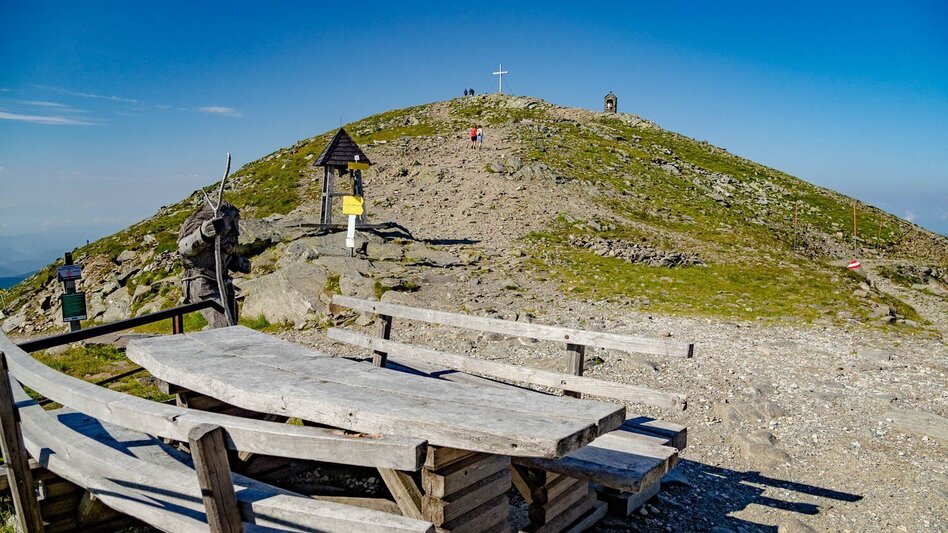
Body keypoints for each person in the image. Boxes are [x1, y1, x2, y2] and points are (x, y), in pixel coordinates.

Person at [177, 201, 251, 328]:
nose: (235, 230)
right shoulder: (202, 235)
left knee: (231, 322)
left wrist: (239, 263)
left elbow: (227, 259)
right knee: (222, 321)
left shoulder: (225, 244)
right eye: (228, 222)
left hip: (225, 284)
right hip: (202, 284)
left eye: (236, 222)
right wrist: (202, 235)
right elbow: (184, 249)